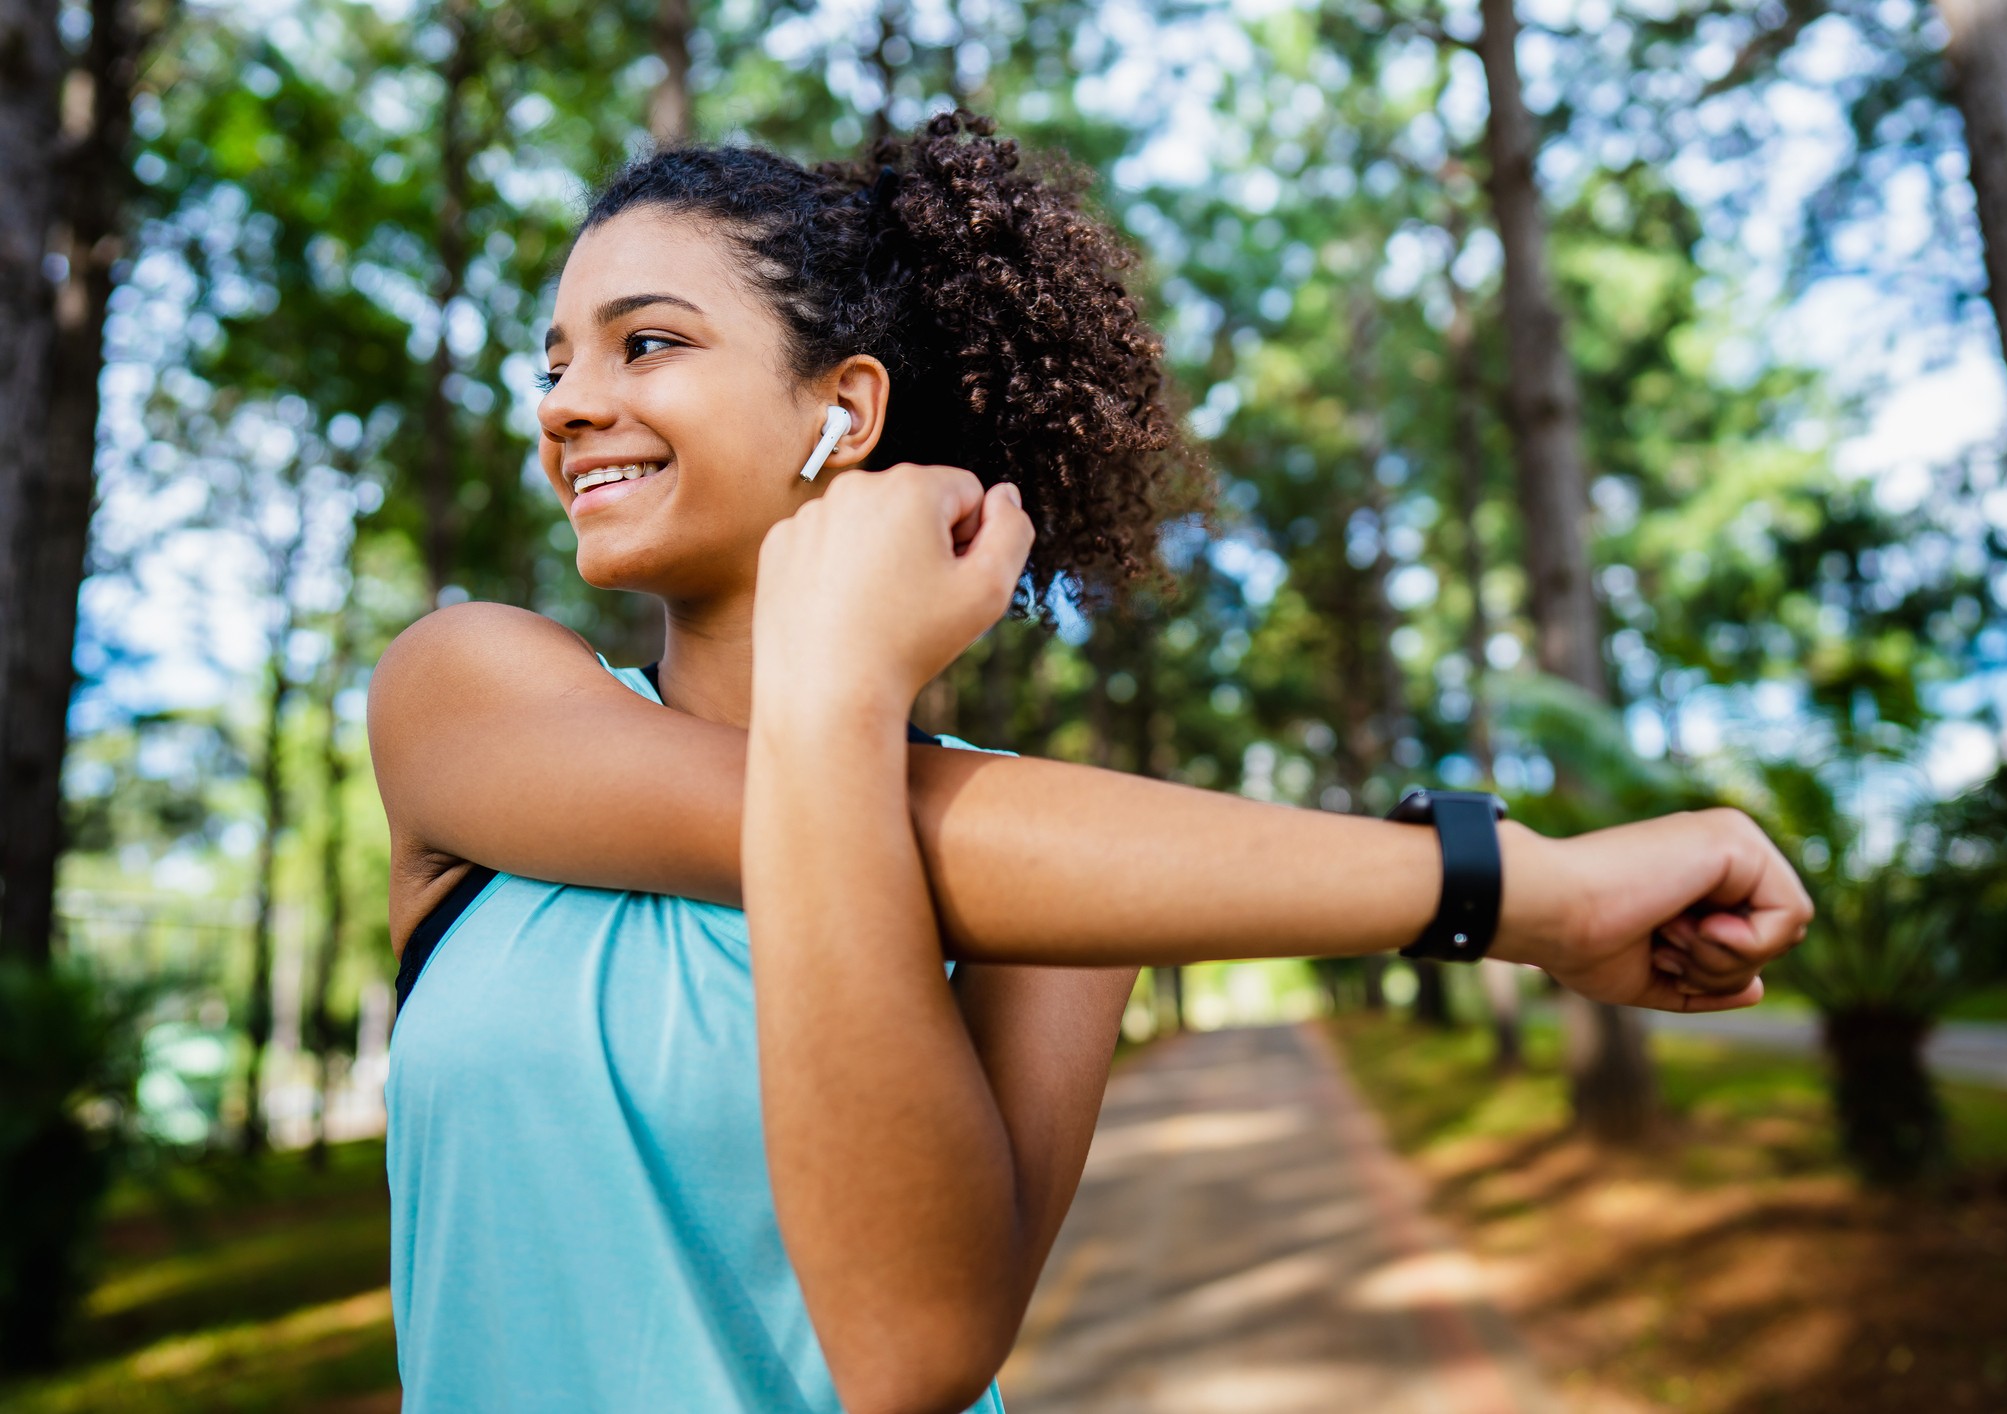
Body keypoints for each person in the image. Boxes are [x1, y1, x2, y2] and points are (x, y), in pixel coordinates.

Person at [369, 112, 1811, 1413]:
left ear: (845, 411)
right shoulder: (464, 691)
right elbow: (800, 821)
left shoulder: (1079, 878)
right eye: (554, 357)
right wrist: (1515, 891)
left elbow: (911, 1352)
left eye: (645, 343)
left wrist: (834, 689)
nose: (562, 402)